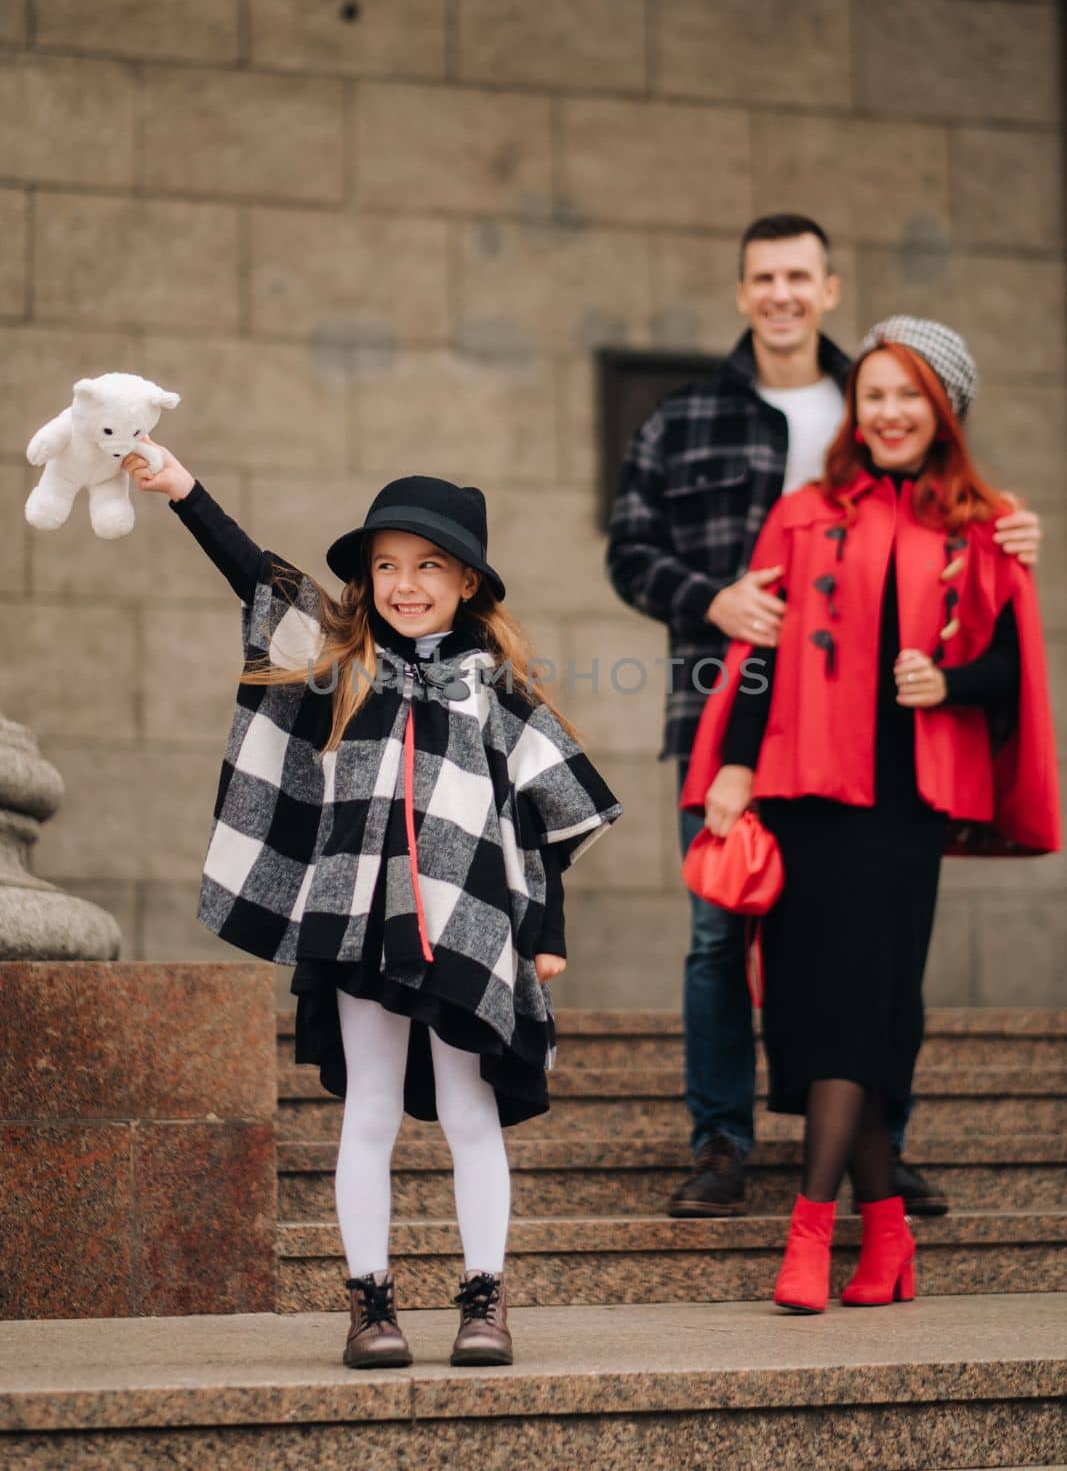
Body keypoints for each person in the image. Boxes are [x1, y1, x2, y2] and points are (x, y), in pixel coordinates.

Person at [124, 447, 621, 1367]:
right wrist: (183, 490)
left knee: (471, 1113)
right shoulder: (336, 658)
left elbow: (544, 817)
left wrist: (543, 934)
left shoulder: (496, 688)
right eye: (386, 565)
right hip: (355, 918)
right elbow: (257, 573)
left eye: (428, 565)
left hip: (466, 924)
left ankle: (483, 1301)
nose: (404, 584)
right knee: (371, 1113)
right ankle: (370, 1304)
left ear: (466, 580)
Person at [607, 214, 1043, 1219]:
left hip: (875, 757)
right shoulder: (684, 420)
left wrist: (1005, 537)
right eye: (762, 276)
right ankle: (722, 1142)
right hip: (733, 722)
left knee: (875, 960)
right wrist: (709, 599)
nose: (780, 293)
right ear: (741, 291)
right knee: (721, 937)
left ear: (828, 288)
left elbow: (961, 554)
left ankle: (872, 1151)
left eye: (797, 275)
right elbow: (629, 553)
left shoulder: (889, 389)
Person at [680, 317, 1060, 1312]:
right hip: (801, 792)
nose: (887, 412)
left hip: (900, 807)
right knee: (810, 1011)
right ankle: (885, 1236)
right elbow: (757, 650)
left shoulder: (981, 524)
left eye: (908, 395)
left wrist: (945, 681)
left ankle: (810, 1232)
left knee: (860, 1004)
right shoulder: (803, 511)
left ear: (943, 412)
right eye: (874, 394)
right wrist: (728, 764)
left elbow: (1012, 667)